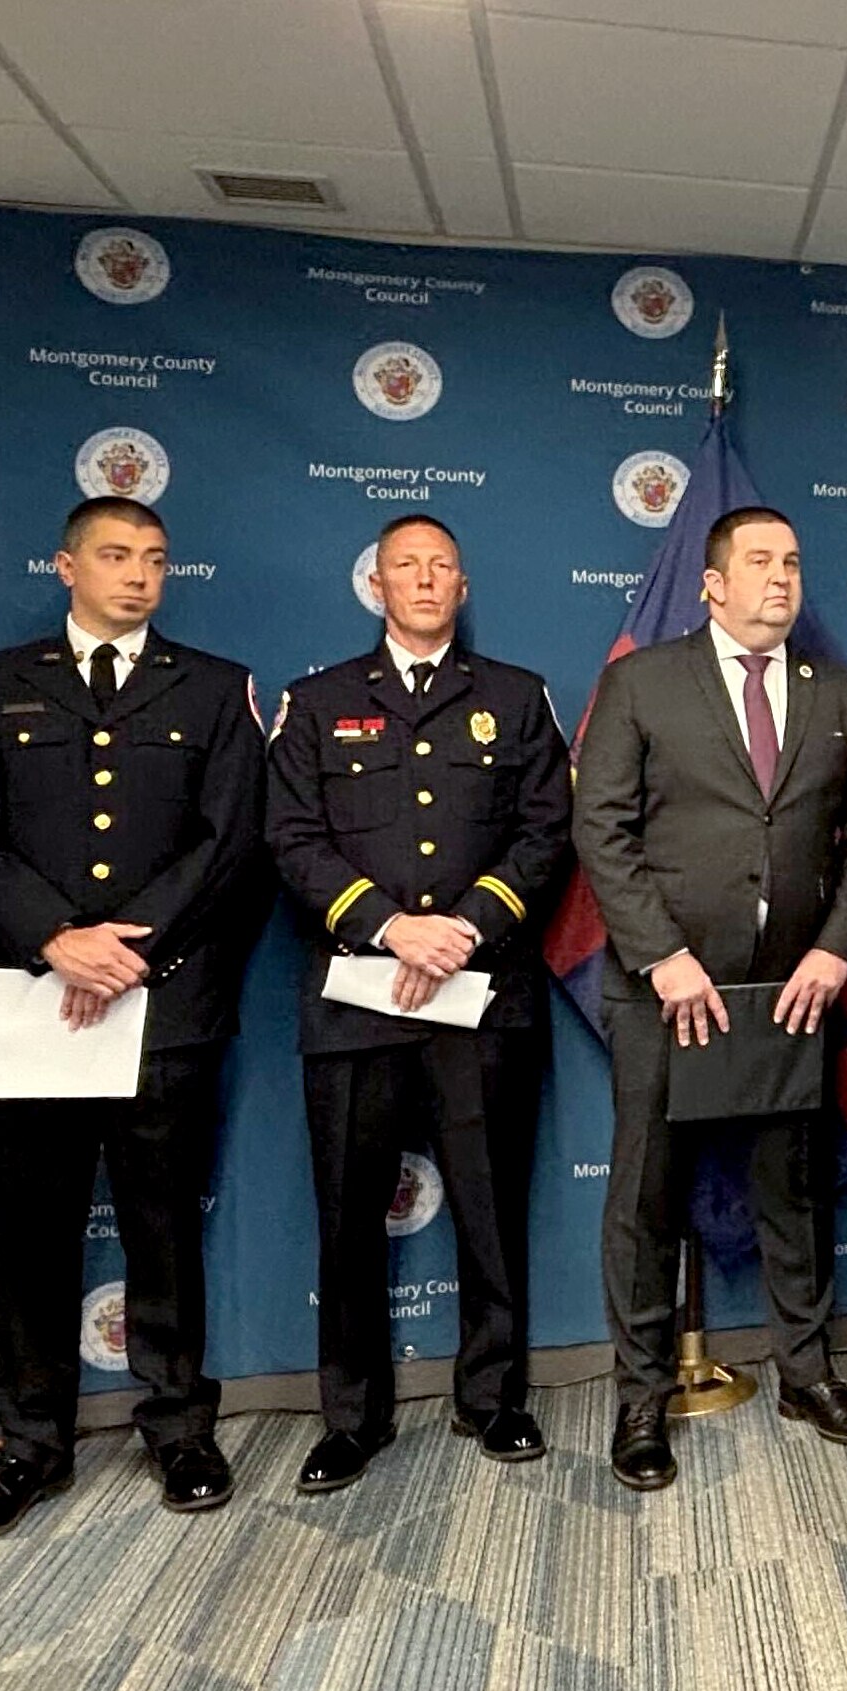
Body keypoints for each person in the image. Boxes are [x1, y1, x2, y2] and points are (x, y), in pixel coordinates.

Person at [0, 495, 269, 1548]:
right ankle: (30, 1443)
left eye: (155, 559)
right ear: (66, 565)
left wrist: (126, 949)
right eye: (117, 555)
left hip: (162, 1002)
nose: (139, 575)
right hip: (30, 1004)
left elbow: (229, 842)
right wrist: (55, 939)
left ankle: (180, 1426)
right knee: (29, 1233)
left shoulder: (214, 688)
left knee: (164, 1225)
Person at [571, 505, 847, 1492]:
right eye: (759, 561)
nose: (781, 577)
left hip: (790, 988)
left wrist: (834, 953)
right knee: (647, 1197)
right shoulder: (642, 681)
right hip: (667, 989)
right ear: (712, 584)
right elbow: (602, 829)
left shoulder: (835, 691)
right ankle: (641, 1396)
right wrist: (663, 956)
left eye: (791, 561)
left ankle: (807, 1373)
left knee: (792, 1188)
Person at [265, 516, 572, 1492]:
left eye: (443, 566)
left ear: (463, 585)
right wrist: (391, 927)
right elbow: (291, 837)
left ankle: (495, 1397)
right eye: (408, 566)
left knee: (490, 1209)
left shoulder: (517, 698)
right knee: (349, 1217)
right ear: (377, 585)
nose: (427, 579)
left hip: (480, 993)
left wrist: (466, 927)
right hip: (358, 998)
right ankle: (351, 1418)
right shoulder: (317, 702)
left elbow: (546, 832)